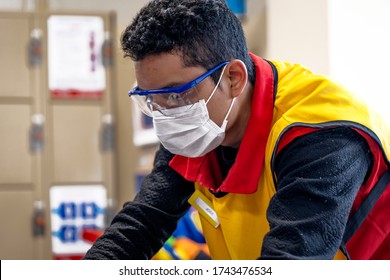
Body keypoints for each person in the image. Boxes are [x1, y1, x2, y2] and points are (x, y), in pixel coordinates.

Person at [84, 0, 390, 260]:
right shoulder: (201, 126)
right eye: (151, 99)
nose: (166, 114)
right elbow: (143, 221)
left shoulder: (319, 133)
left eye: (176, 94)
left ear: (233, 78)